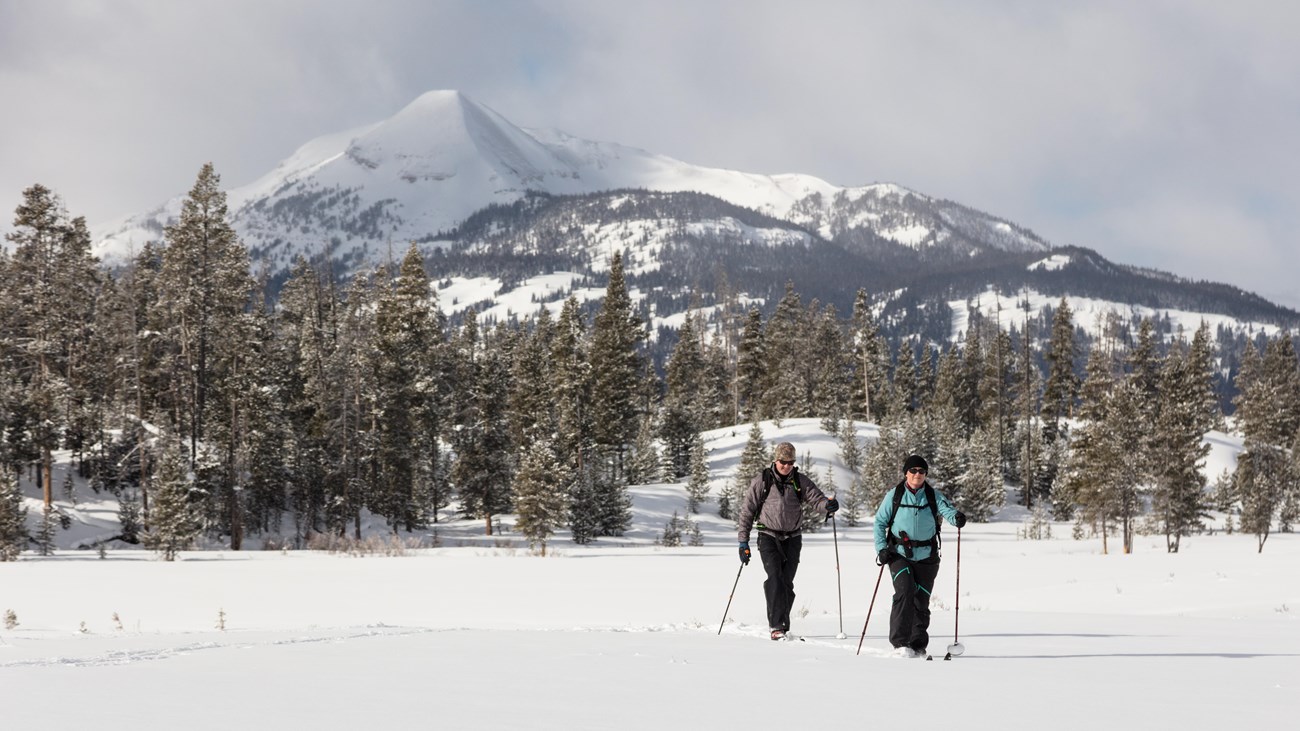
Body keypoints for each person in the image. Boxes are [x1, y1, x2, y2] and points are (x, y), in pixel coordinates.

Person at [737, 441, 838, 640]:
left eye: (790, 462)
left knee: (787, 583)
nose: (787, 466)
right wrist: (743, 542)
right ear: (776, 460)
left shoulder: (800, 481)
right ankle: (776, 626)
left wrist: (828, 505)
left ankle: (783, 624)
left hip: (793, 538)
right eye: (783, 462)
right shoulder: (762, 481)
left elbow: (816, 499)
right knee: (775, 578)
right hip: (768, 536)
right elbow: (747, 511)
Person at [872, 454, 966, 657]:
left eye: (921, 471)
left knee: (921, 599)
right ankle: (900, 644)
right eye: (913, 470)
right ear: (906, 473)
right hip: (898, 554)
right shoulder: (894, 495)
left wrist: (956, 517)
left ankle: (917, 645)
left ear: (925, 474)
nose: (917, 474)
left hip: (927, 556)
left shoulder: (933, 495)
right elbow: (880, 522)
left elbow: (947, 511)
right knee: (905, 592)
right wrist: (881, 548)